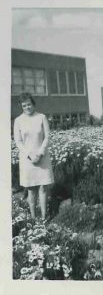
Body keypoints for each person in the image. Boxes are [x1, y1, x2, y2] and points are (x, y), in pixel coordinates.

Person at [14, 92, 54, 222]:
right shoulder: (18, 120)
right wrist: (30, 156)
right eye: (24, 105)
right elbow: (18, 141)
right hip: (27, 159)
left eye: (29, 104)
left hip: (42, 157)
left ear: (33, 104)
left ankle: (44, 217)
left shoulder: (41, 117)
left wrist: (40, 153)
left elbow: (47, 136)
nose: (27, 107)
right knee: (31, 189)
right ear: (21, 107)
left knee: (43, 187)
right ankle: (33, 217)